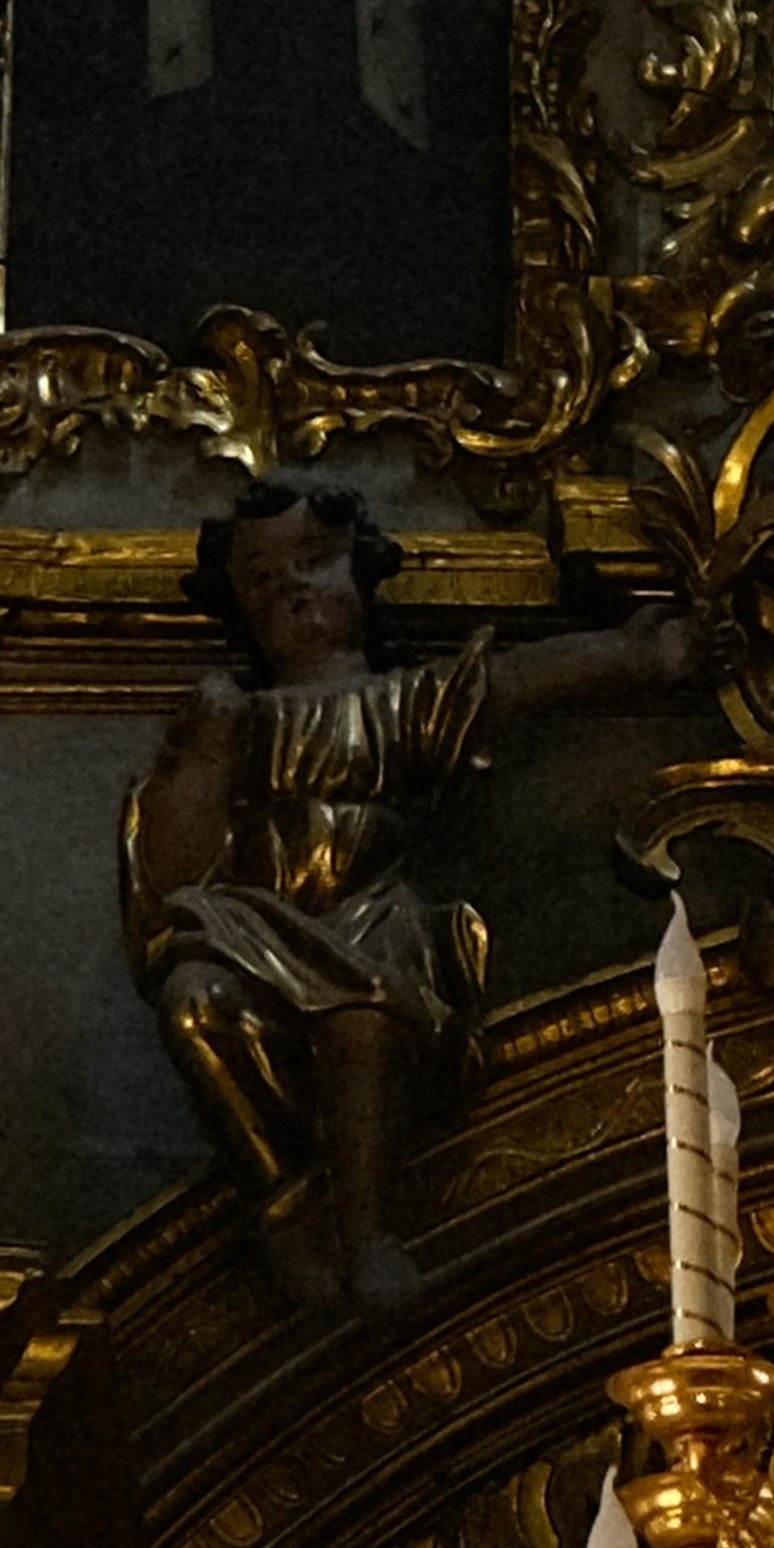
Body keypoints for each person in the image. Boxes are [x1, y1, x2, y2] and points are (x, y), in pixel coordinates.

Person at [124, 481, 695, 1318]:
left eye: (313, 563)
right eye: (262, 579)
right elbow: (175, 867)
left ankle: (365, 1233)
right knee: (191, 1006)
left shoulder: (395, 704)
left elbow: (509, 683)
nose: (290, 588)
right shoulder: (238, 720)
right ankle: (283, 1199)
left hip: (369, 920)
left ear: (362, 571)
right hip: (253, 927)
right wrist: (201, 755)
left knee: (366, 1020)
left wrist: (639, 655)